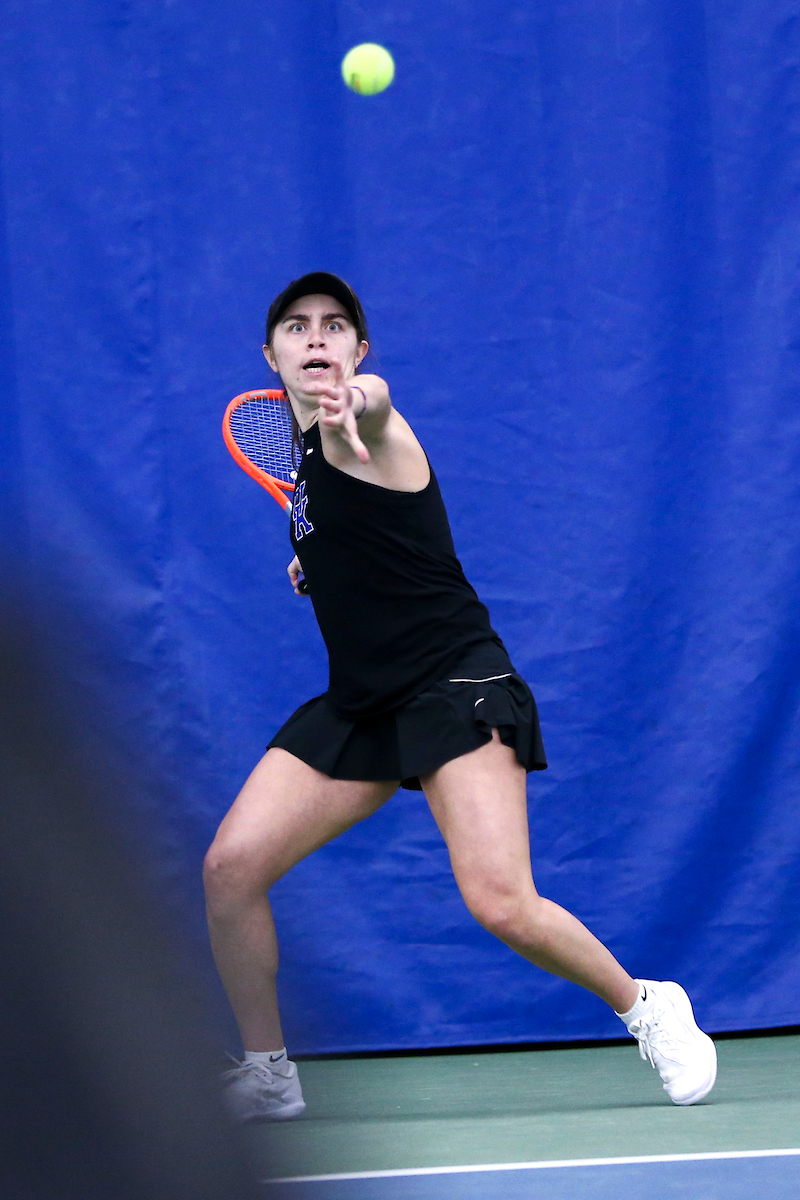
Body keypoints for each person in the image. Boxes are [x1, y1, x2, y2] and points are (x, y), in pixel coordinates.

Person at [204, 272, 717, 1123]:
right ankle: (269, 1073)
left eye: (335, 326)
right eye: (296, 326)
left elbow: (373, 408)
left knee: (500, 901)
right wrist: (316, 560)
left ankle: (647, 1004)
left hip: (454, 684)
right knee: (230, 870)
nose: (317, 337)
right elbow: (360, 539)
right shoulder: (306, 470)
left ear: (360, 350)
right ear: (271, 355)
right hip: (364, 699)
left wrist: (359, 401)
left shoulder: (371, 425)